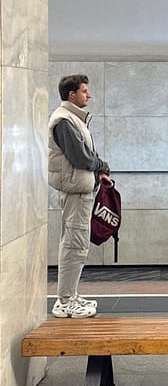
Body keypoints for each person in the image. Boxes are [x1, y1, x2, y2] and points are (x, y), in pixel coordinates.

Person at [48, 74, 111, 318]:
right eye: (85, 91)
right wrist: (102, 165)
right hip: (76, 193)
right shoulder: (64, 121)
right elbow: (81, 158)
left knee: (75, 244)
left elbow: (81, 158)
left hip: (80, 188)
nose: (89, 95)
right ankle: (65, 301)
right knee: (75, 245)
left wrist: (97, 176)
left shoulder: (72, 119)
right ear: (71, 95)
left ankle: (70, 295)